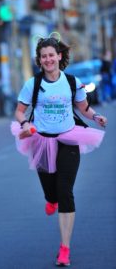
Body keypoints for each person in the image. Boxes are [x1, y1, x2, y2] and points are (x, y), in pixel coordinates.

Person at [11, 35, 107, 267]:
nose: (48, 60)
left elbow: (83, 108)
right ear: (40, 60)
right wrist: (24, 124)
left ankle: (64, 249)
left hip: (68, 140)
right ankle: (50, 199)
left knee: (66, 191)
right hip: (41, 141)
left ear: (59, 56)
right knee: (51, 192)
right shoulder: (32, 84)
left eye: (51, 55)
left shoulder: (72, 82)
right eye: (44, 57)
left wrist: (95, 117)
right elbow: (19, 112)